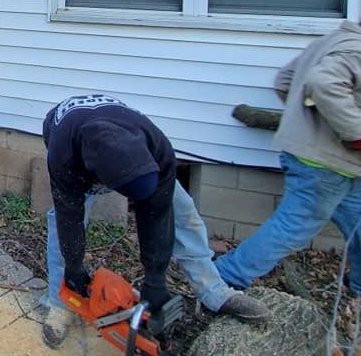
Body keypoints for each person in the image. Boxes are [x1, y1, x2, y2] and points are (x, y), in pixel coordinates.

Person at [41, 94, 269, 349]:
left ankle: (212, 290)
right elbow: (67, 216)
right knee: (61, 224)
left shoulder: (158, 148)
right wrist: (74, 266)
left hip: (125, 146)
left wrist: (155, 278)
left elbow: (156, 216)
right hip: (70, 139)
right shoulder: (64, 156)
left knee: (185, 214)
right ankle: (61, 303)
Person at [215, 20, 361, 296]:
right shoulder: (356, 50)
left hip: (337, 163)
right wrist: (355, 133)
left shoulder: (331, 41)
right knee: (293, 226)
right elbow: (323, 82)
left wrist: (303, 123)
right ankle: (224, 277)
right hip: (325, 164)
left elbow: (285, 82)